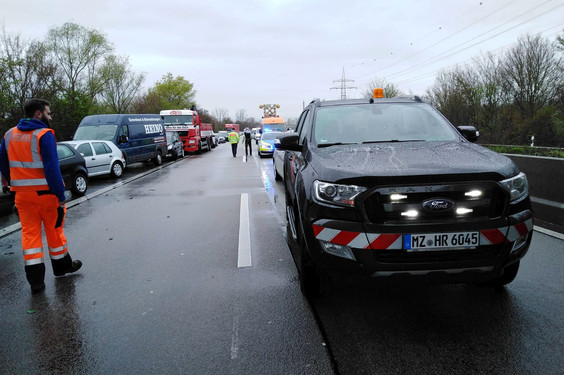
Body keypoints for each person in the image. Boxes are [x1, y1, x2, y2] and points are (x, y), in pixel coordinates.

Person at [0, 98, 82, 294]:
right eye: (48, 113)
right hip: (46, 196)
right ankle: (62, 268)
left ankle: (36, 282)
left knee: (30, 236)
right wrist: (60, 194)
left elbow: (3, 162)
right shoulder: (44, 135)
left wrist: (12, 182)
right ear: (39, 114)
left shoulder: (9, 134)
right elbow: (52, 168)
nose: (50, 117)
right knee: (54, 232)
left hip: (22, 196)